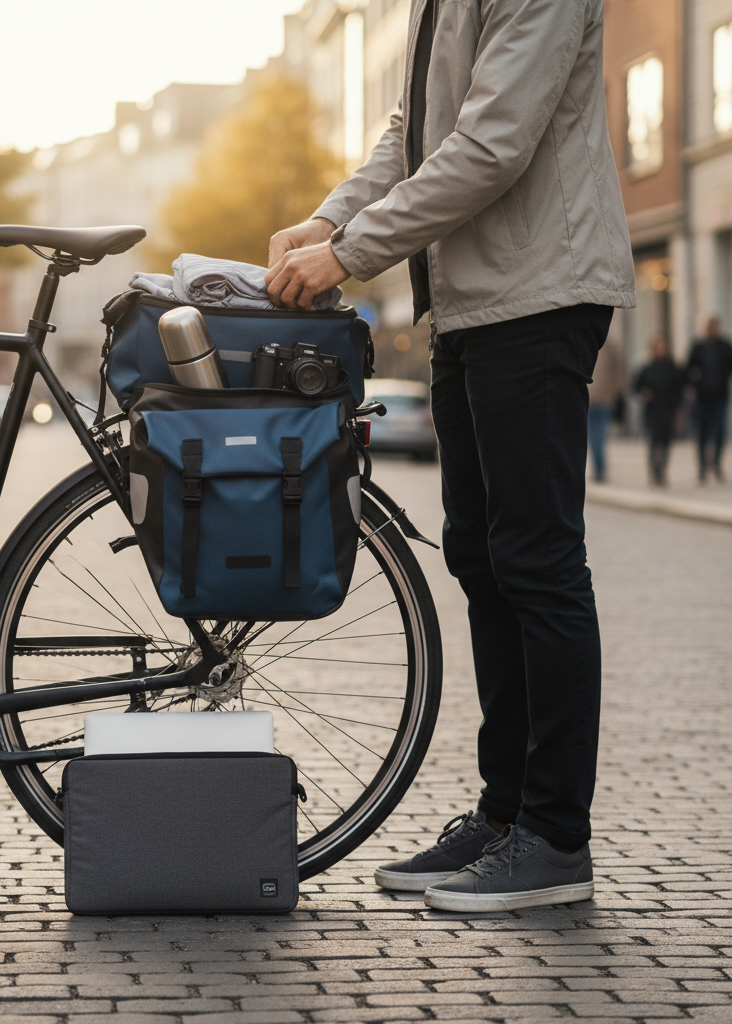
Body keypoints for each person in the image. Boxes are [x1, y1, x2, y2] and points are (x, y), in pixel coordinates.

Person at [265, 0, 635, 912]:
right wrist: (327, 219)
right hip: (473, 299)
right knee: (481, 557)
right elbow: (416, 134)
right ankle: (505, 815)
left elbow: (492, 143)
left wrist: (352, 252)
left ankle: (554, 839)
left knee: (539, 563)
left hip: (539, 292)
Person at [686, 316, 732, 483]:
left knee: (720, 433)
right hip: (701, 398)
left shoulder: (725, 347)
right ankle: (702, 468)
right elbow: (688, 369)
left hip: (720, 397)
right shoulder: (698, 347)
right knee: (702, 434)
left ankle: (716, 464)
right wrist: (695, 385)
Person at [634, 336, 683, 487]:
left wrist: (678, 405)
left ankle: (662, 471)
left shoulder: (672, 367)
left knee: (667, 442)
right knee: (653, 442)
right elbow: (635, 385)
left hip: (668, 409)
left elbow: (680, 386)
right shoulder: (647, 368)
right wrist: (644, 393)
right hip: (652, 411)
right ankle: (654, 472)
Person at [587, 332, 626, 483]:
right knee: (599, 434)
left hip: (595, 397)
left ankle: (599, 468)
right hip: (602, 397)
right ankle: (599, 468)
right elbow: (620, 371)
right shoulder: (611, 344)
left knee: (595, 435)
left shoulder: (587, 340)